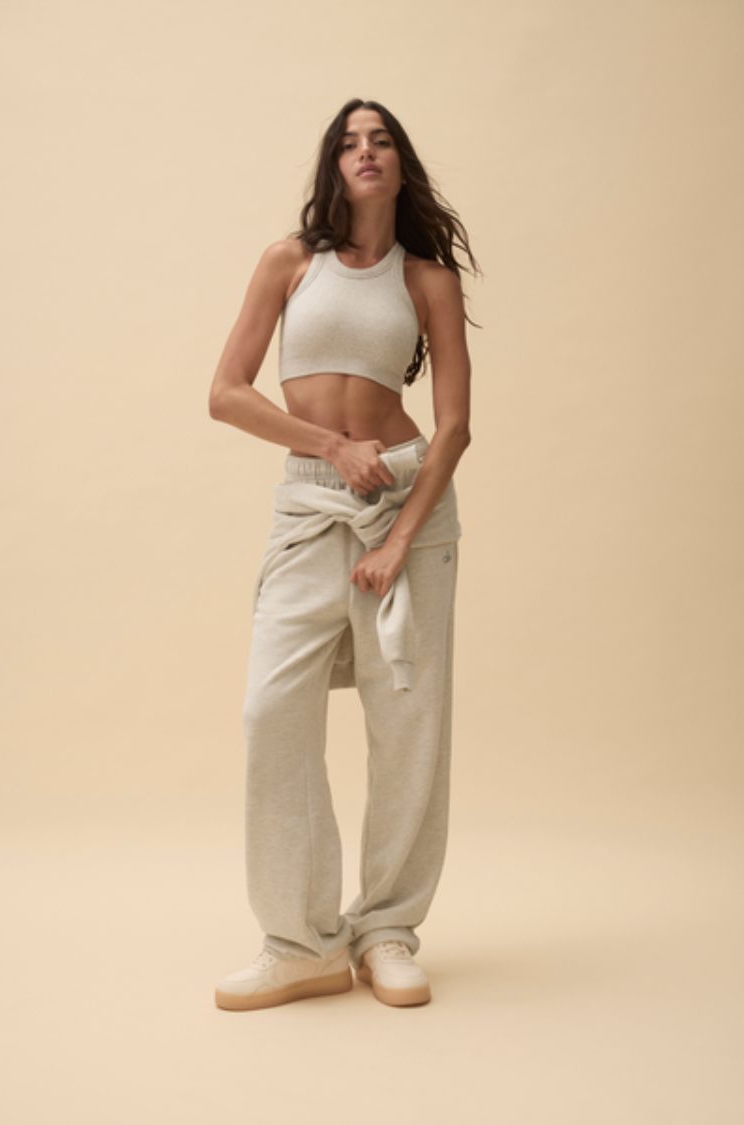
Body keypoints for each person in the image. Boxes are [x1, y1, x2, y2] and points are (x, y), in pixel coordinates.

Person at [208, 98, 480, 1011]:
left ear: (400, 165)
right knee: (271, 711)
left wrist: (400, 540)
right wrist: (331, 446)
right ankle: (301, 941)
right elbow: (226, 392)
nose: (366, 152)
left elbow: (453, 427)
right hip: (312, 503)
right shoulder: (290, 262)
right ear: (333, 165)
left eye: (382, 141)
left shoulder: (427, 279)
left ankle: (388, 928)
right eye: (350, 143)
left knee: (408, 728)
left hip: (408, 506)